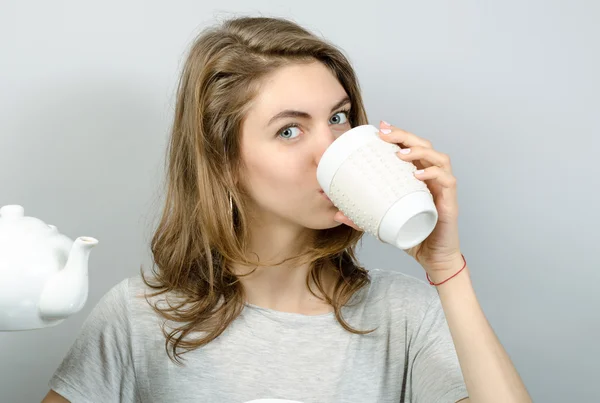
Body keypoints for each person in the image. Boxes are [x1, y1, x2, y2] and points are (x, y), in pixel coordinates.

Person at [42, 16, 531, 403]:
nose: (330, 149)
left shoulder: (405, 315)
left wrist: (446, 269)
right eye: (289, 130)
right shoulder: (138, 319)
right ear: (224, 161)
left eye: (338, 118)